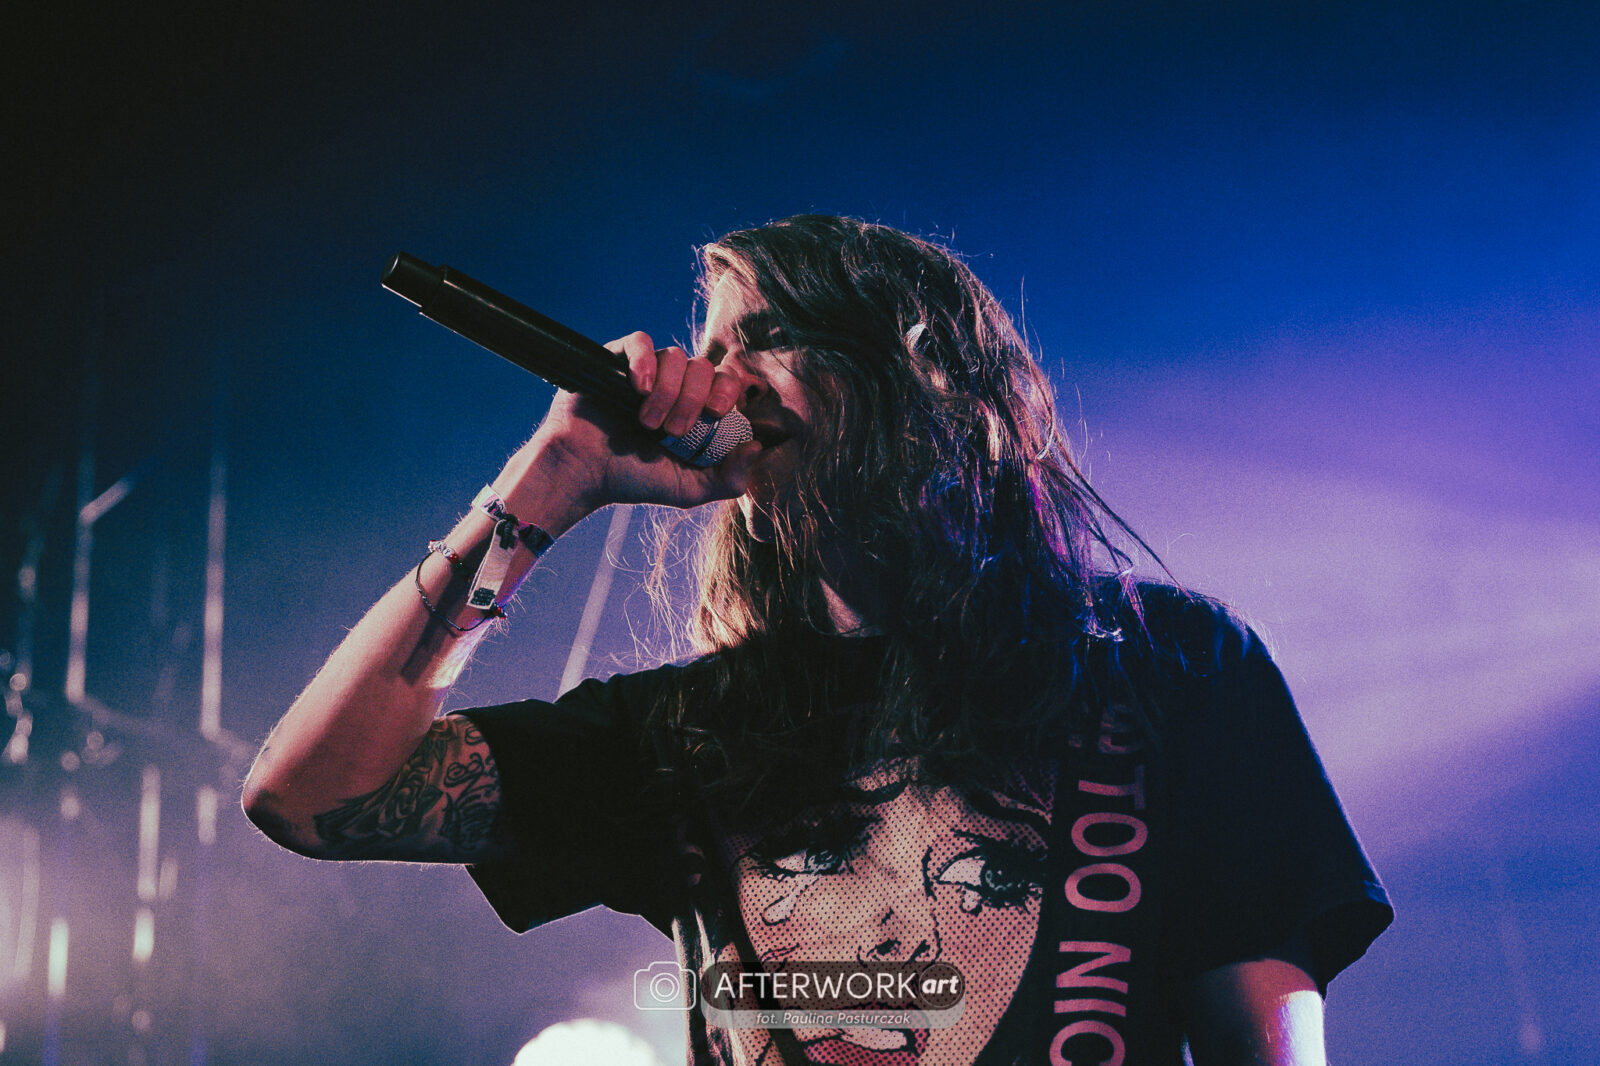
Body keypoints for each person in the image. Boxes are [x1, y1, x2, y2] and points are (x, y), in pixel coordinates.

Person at [242, 215, 1392, 1065]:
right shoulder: (690, 727)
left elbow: (1261, 1031)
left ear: (916, 368)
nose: (716, 382)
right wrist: (551, 479)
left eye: (770, 336)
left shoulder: (1160, 661)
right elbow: (314, 796)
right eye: (708, 350)